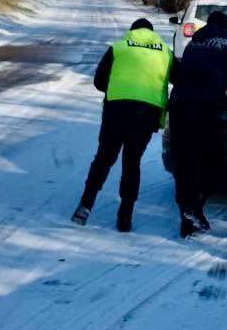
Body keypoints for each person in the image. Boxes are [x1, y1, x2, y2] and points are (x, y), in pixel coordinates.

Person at [72, 17, 172, 232]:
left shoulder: (118, 47)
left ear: (131, 32)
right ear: (152, 33)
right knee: (132, 162)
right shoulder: (165, 52)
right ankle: (125, 217)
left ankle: (85, 205)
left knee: (104, 158)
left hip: (116, 111)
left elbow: (99, 82)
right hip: (147, 113)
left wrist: (119, 86)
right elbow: (180, 78)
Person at [168, 10, 227, 238]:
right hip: (206, 108)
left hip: (180, 105)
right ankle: (193, 210)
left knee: (185, 161)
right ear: (226, 28)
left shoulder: (194, 44)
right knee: (210, 159)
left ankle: (189, 212)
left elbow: (181, 73)